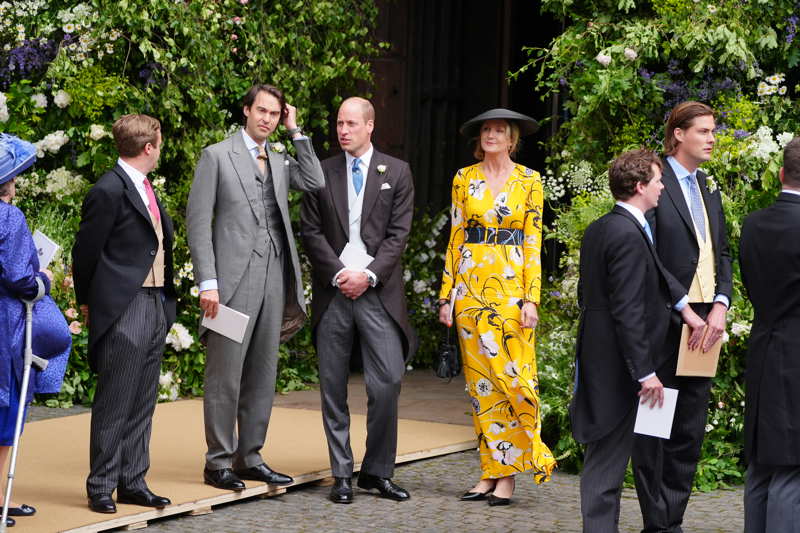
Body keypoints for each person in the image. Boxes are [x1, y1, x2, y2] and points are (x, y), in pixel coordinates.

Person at [186, 84, 324, 491]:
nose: (267, 119)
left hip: (274, 279)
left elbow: (314, 180)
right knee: (225, 375)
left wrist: (297, 132)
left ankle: (250, 457)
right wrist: (207, 283)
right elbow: (198, 223)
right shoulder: (216, 156)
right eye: (261, 111)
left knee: (263, 372)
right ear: (246, 110)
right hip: (229, 284)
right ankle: (217, 462)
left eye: (275, 114)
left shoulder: (280, 160)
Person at [571, 149, 705, 533]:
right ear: (640, 186)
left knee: (625, 452)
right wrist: (646, 374)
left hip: (604, 358)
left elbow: (644, 279)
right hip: (621, 369)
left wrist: (685, 310)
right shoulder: (628, 234)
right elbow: (628, 309)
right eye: (658, 180)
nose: (663, 187)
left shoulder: (605, 227)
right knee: (607, 465)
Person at [438, 108, 556, 506]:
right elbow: (455, 238)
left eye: (499, 130)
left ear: (512, 139)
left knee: (514, 382)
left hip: (510, 294)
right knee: (481, 388)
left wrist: (532, 299)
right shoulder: (463, 178)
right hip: (470, 293)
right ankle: (493, 471)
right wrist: (446, 294)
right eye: (486, 129)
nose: (491, 135)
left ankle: (522, 463)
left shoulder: (530, 180)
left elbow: (533, 243)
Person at [301, 97, 415, 504]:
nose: (342, 130)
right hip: (334, 292)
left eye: (351, 123)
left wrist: (366, 275)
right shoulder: (322, 171)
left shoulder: (397, 171)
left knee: (387, 384)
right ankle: (342, 474)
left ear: (370, 125)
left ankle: (377, 472)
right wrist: (338, 273)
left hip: (377, 293)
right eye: (338, 123)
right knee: (333, 387)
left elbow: (398, 235)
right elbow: (311, 230)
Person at [634, 101, 733, 532]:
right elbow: (645, 254)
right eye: (704, 131)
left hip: (706, 325)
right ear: (678, 134)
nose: (712, 139)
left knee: (689, 433)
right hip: (666, 320)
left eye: (713, 132)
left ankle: (672, 521)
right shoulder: (655, 183)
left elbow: (723, 252)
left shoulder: (708, 186)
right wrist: (683, 307)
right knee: (655, 429)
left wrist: (720, 305)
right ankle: (655, 522)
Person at [73, 114, 176, 514]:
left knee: (142, 399)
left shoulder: (145, 186)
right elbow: (85, 253)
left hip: (155, 303)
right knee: (115, 400)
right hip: (124, 306)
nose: (161, 147)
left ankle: (133, 481)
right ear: (149, 147)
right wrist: (89, 303)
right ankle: (101, 485)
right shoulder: (108, 189)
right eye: (159, 142)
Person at [0, 134, 71, 527]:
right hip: (5, 323)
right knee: (5, 409)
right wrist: (43, 276)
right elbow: (20, 282)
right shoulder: (9, 217)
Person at [740, 136, 800, 532]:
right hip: (797, 357)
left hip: (763, 348)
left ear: (781, 174)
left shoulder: (753, 223)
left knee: (760, 464)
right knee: (792, 470)